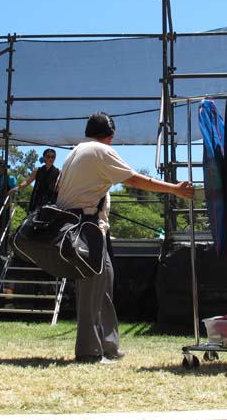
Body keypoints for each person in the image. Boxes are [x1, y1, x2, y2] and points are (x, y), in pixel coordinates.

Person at [56, 112, 195, 364]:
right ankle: (88, 351)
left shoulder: (76, 151)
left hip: (84, 226)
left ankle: (109, 345)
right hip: (85, 228)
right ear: (110, 136)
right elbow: (133, 179)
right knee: (91, 289)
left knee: (105, 280)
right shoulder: (100, 150)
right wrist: (174, 189)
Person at [9, 148, 61, 213]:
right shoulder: (37, 170)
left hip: (50, 200)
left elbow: (59, 187)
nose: (50, 159)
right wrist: (17, 188)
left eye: (53, 157)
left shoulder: (58, 172)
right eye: (48, 156)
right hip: (37, 199)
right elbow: (27, 182)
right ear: (44, 158)